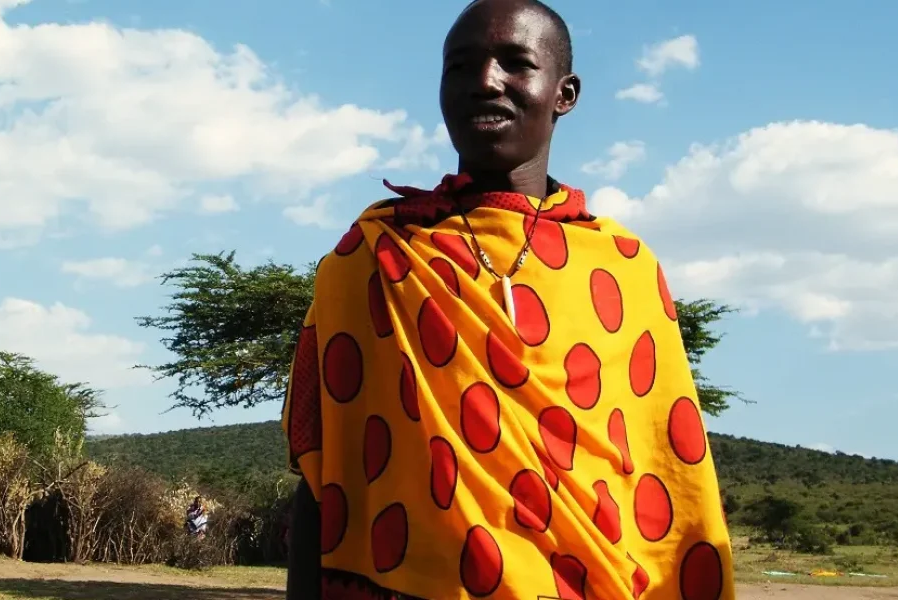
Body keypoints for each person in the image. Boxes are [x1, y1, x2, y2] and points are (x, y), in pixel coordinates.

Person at [281, 0, 734, 598]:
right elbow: (321, 470)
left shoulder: (626, 268)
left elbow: (667, 474)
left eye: (516, 63)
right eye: (461, 67)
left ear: (564, 93)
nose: (485, 82)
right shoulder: (371, 257)